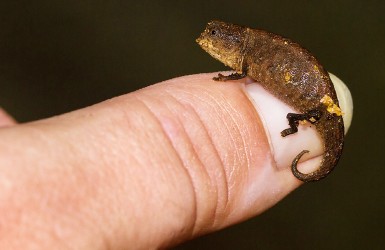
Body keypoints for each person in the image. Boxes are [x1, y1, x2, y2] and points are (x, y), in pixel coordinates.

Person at [0, 72, 351, 249]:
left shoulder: (248, 55)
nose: (206, 40)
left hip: (316, 106)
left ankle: (291, 128)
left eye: (214, 37)